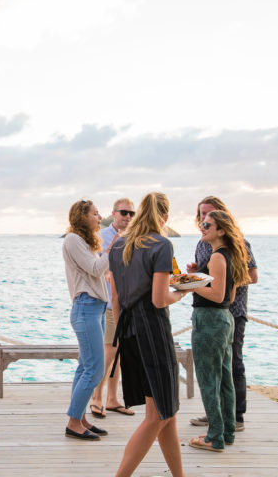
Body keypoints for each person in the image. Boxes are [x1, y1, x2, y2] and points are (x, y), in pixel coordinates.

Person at [108, 192, 187, 477]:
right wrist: (181, 292)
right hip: (152, 331)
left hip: (128, 331)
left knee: (168, 413)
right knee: (157, 417)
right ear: (165, 217)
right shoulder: (162, 244)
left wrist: (122, 334)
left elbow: (115, 296)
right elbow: (158, 299)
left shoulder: (118, 245)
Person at [188, 196, 258, 433]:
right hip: (215, 311)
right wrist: (195, 273)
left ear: (221, 219)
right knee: (220, 371)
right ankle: (219, 419)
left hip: (229, 312)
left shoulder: (235, 245)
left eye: (208, 217)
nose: (203, 222)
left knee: (229, 366)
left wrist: (189, 284)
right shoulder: (203, 245)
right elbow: (207, 276)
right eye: (201, 217)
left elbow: (245, 279)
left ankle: (232, 420)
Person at [62, 200, 116, 441]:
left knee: (85, 367)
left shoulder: (84, 242)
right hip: (86, 308)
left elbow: (98, 272)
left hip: (96, 308)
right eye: (95, 213)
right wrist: (113, 248)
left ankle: (80, 418)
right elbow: (95, 270)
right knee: (95, 369)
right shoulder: (72, 239)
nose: (99, 217)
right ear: (82, 216)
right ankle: (74, 422)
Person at [90, 198, 135, 418]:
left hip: (129, 303)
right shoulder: (102, 237)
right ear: (114, 213)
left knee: (120, 352)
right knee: (109, 351)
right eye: (123, 212)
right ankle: (96, 396)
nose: (127, 217)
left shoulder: (134, 238)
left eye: (130, 213)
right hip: (109, 303)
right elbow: (95, 269)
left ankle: (112, 398)